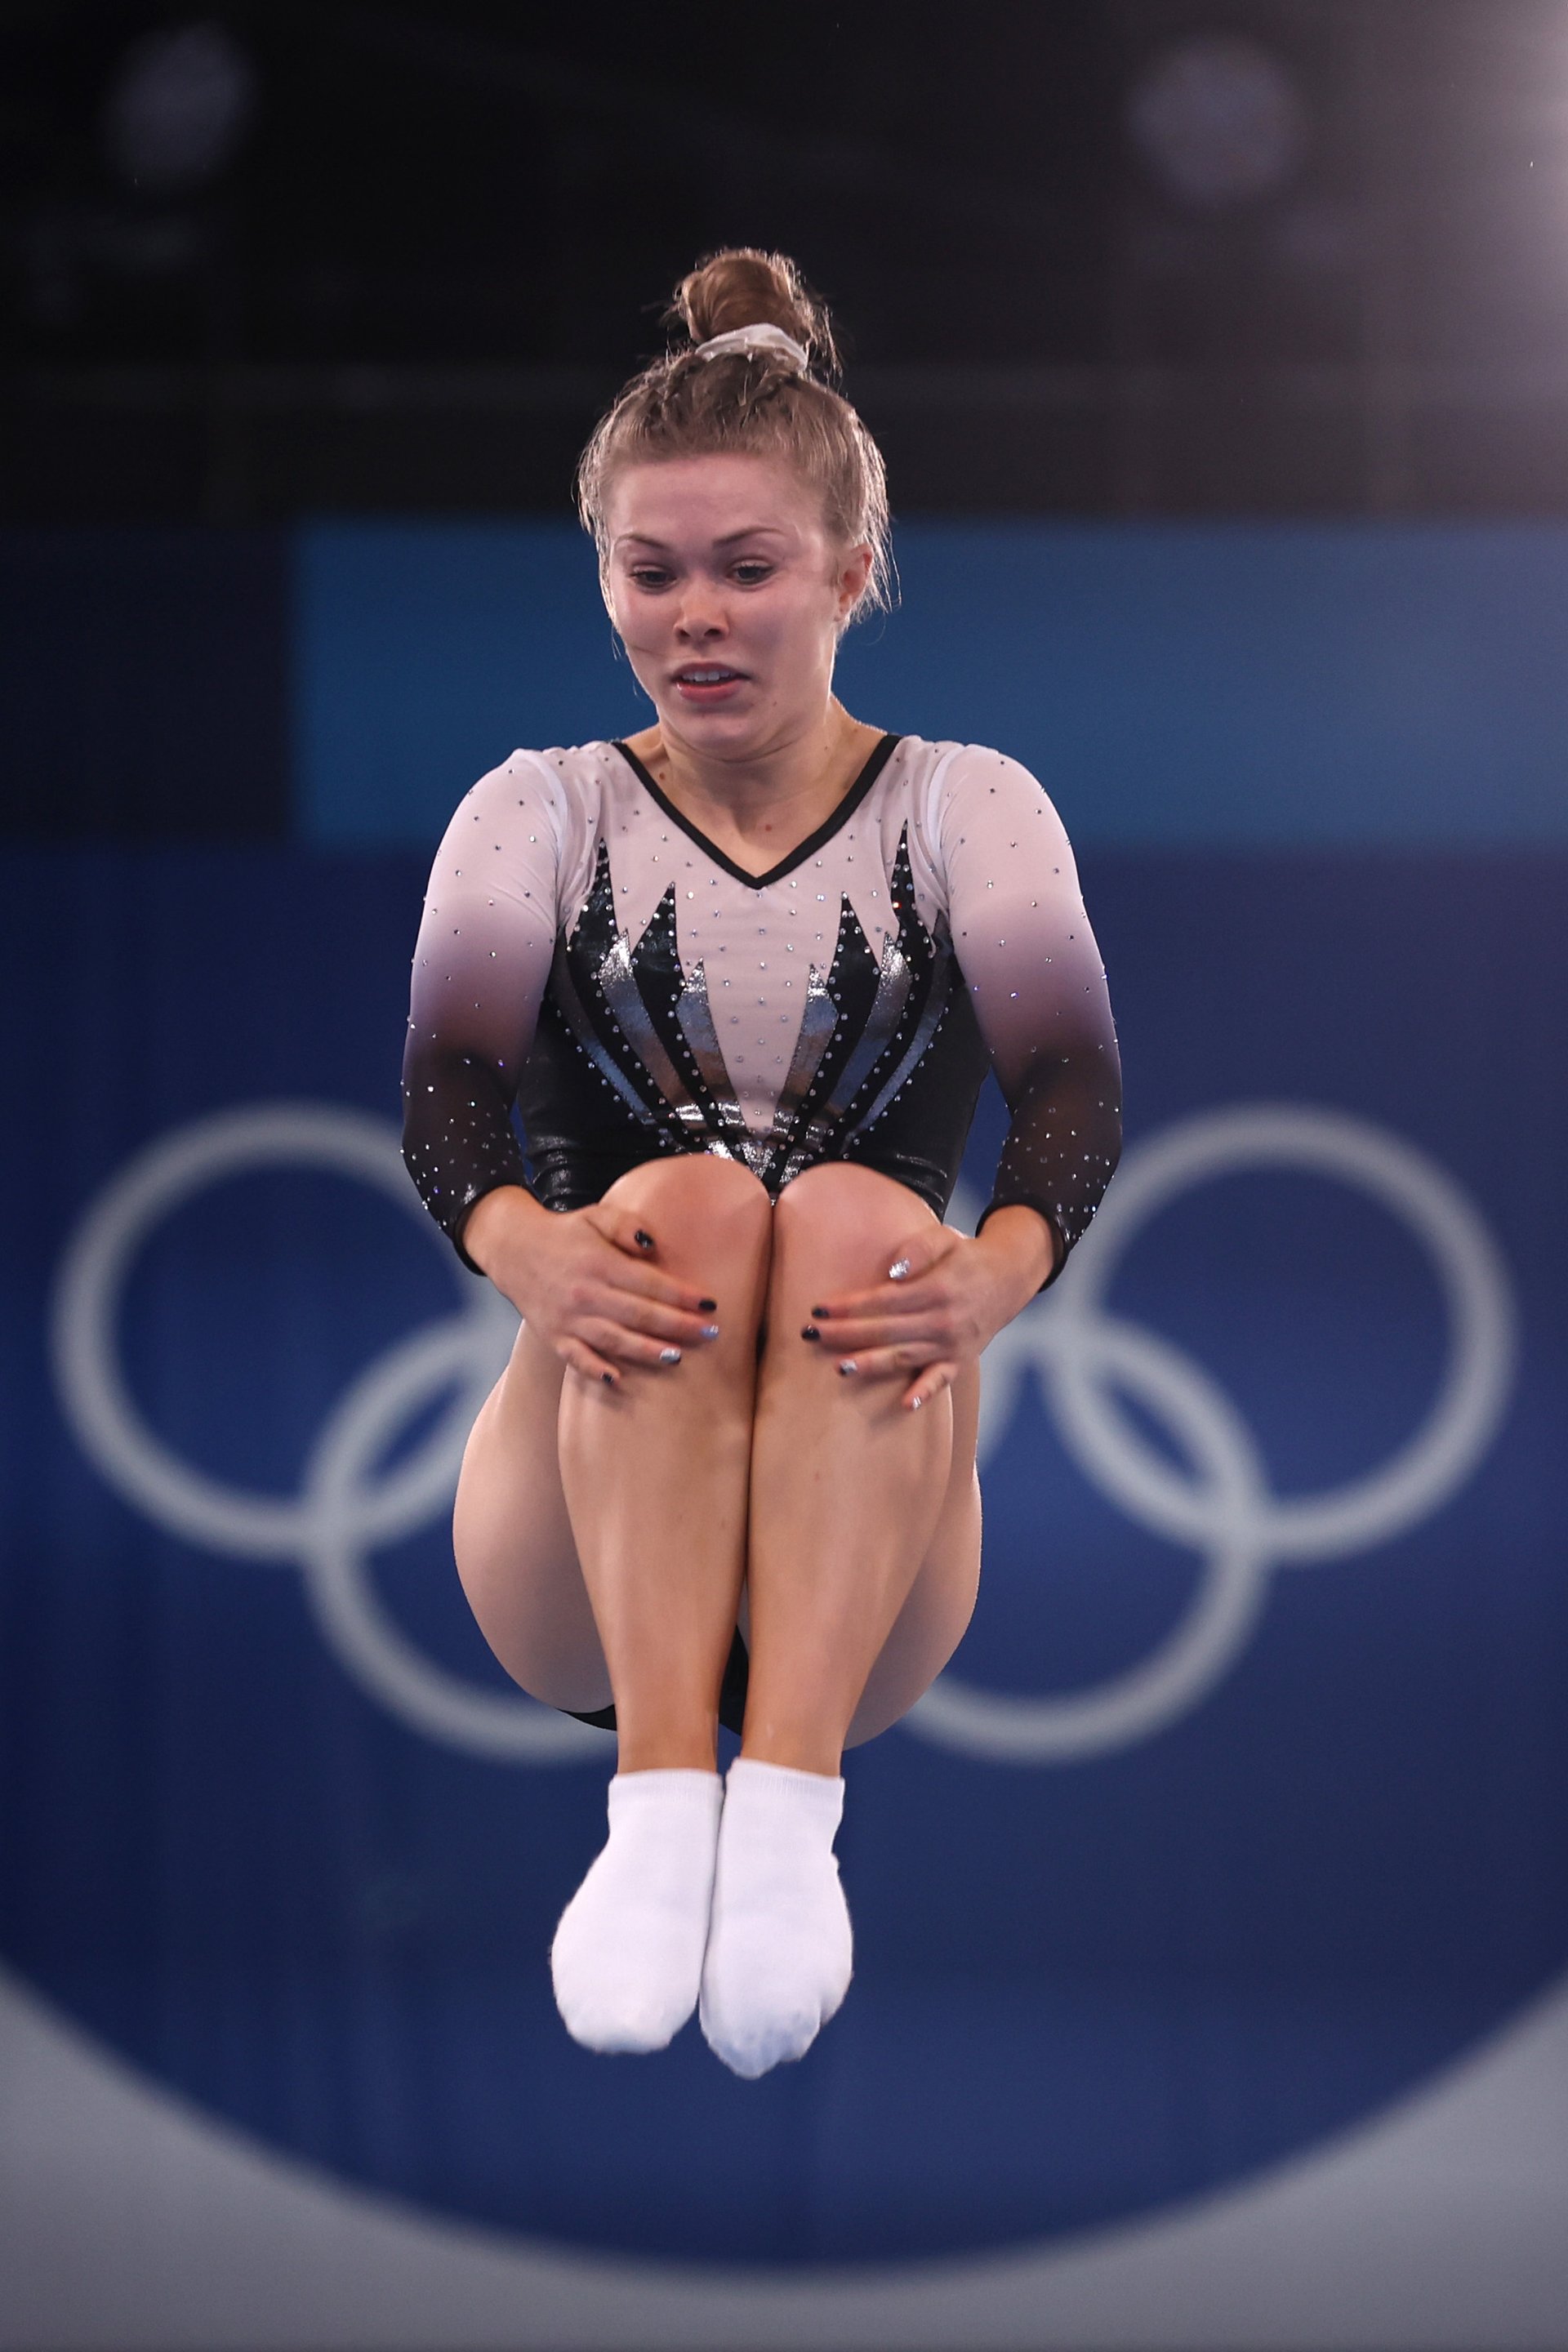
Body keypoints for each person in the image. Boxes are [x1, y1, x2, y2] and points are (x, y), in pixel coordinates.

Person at [402, 249, 1120, 2079]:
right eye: (651, 574)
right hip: (576, 1541)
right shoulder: (540, 811)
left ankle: (787, 1818)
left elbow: (1069, 1089)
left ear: (851, 573)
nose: (696, 618)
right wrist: (525, 1248)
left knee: (871, 1216)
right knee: (694, 1203)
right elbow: (450, 1090)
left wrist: (997, 1275)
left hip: (861, 1555)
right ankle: (658, 1814)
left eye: (748, 569)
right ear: (602, 575)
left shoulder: (965, 807)